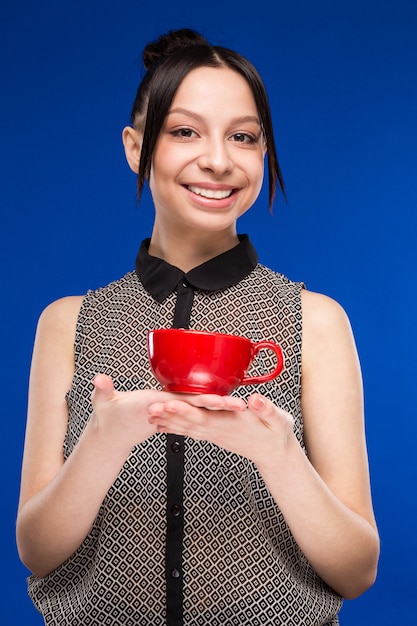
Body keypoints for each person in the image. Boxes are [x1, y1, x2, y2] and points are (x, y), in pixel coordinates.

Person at [16, 28, 379, 626]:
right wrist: (102, 442)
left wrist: (278, 453)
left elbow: (356, 571)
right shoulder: (69, 323)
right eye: (185, 131)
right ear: (136, 148)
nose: (218, 158)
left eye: (244, 137)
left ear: (263, 155)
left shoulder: (314, 321)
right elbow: (38, 552)